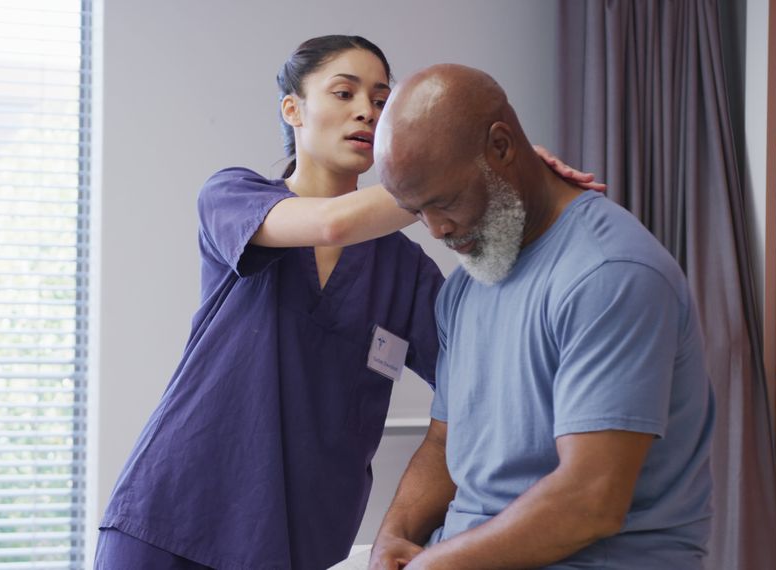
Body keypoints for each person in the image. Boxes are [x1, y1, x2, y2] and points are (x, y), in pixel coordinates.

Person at [95, 37, 602, 570]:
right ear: (293, 108)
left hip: (300, 542)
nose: (367, 110)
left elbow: (482, 379)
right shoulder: (232, 197)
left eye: (382, 101)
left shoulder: (404, 270)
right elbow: (332, 221)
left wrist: (517, 192)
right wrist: (457, 173)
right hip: (176, 519)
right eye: (344, 92)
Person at [366, 64, 715, 569]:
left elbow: (590, 502)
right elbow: (445, 441)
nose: (436, 230)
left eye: (444, 202)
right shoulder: (468, 285)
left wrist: (438, 564)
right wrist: (392, 537)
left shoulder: (609, 274)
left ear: (502, 147)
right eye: (415, 211)